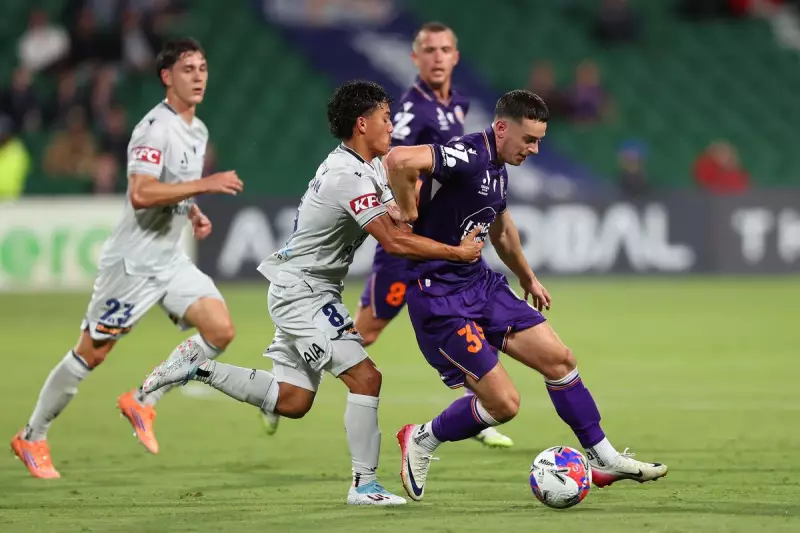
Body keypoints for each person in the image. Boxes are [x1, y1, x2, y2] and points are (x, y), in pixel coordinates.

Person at [140, 80, 483, 505]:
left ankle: (198, 367)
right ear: (362, 124)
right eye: (385, 118)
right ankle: (364, 485)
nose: (392, 126)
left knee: (294, 400)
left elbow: (400, 219)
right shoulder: (347, 176)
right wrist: (456, 252)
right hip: (304, 292)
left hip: (306, 288)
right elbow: (394, 241)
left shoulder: (368, 166)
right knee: (367, 378)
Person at [386, 89, 669, 501]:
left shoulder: (497, 168)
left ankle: (603, 459)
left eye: (539, 141)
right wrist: (408, 211)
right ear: (502, 128)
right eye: (529, 140)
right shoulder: (469, 155)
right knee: (504, 405)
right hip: (439, 297)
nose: (534, 149)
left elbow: (502, 231)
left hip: (480, 284)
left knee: (560, 360)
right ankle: (422, 438)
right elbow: (398, 159)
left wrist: (528, 278)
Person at [261, 21, 514, 449]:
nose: (437, 57)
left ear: (456, 56)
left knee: (465, 314)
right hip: (407, 242)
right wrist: (404, 208)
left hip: (433, 238)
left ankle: (478, 404)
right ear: (415, 58)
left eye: (445, 49)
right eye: (429, 50)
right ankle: (287, 379)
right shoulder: (414, 112)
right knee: (369, 329)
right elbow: (394, 161)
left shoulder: (456, 105)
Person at [10, 38, 244, 478]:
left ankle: (143, 399)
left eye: (202, 68)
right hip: (132, 263)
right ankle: (32, 435)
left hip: (168, 258)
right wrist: (205, 185)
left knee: (220, 330)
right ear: (166, 77)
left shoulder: (197, 130)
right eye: (188, 69)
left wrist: (192, 211)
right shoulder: (154, 128)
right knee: (91, 354)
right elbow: (141, 193)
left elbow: (172, 185)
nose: (198, 77)